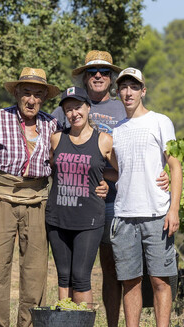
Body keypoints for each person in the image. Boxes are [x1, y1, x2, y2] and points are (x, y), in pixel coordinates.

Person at [0, 68, 109, 327]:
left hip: (38, 198)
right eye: (26, 92)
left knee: (36, 268)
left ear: (43, 99)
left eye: (38, 94)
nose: (32, 99)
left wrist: (102, 183)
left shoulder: (52, 125)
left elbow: (76, 158)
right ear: (16, 93)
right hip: (1, 195)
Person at [51, 50, 168, 327]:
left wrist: (163, 173)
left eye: (104, 71)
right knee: (77, 270)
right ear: (84, 77)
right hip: (76, 203)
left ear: (112, 78)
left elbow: (144, 150)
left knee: (114, 269)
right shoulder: (65, 110)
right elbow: (51, 145)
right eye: (92, 72)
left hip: (117, 203)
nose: (98, 76)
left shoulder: (123, 107)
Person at [109, 68, 183, 327]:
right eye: (123, 88)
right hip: (124, 214)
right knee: (130, 280)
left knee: (161, 279)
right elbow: (117, 169)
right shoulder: (117, 130)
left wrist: (173, 208)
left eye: (133, 87)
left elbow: (174, 166)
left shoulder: (160, 122)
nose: (127, 92)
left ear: (143, 90)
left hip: (156, 213)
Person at [46, 86, 117, 308]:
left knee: (81, 276)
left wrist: (103, 179)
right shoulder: (56, 138)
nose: (74, 113)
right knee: (63, 275)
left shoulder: (103, 140)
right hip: (58, 217)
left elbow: (119, 171)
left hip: (89, 219)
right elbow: (51, 167)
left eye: (78, 107)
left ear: (88, 108)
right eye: (68, 109)